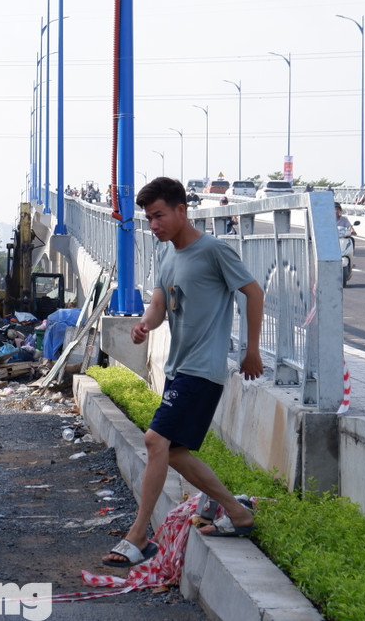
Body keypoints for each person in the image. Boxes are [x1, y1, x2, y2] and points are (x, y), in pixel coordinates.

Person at [102, 177, 263, 569]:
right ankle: (235, 512)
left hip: (202, 368)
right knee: (174, 452)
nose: (153, 224)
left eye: (159, 216)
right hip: (179, 366)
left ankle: (138, 536)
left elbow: (253, 292)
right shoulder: (167, 256)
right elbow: (159, 303)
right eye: (149, 217)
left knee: (156, 440)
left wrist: (252, 349)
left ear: (181, 210)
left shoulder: (213, 251)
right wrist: (145, 325)